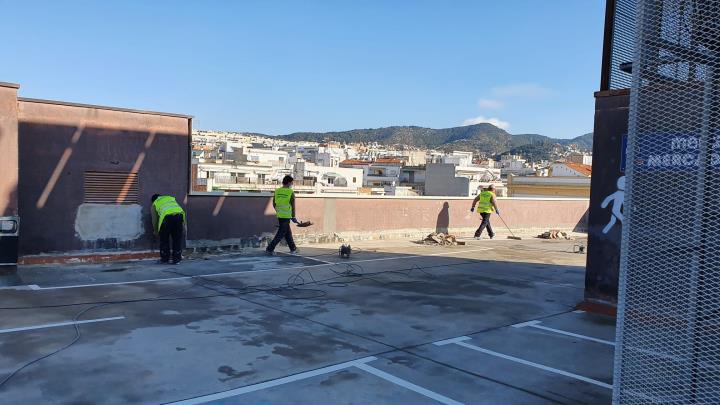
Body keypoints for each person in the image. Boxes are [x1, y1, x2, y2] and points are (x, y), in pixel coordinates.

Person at [266, 175, 299, 255]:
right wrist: (293, 216)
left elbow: (274, 203)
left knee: (287, 232)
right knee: (281, 233)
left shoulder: (277, 191)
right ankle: (270, 249)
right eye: (291, 183)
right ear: (288, 182)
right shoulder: (290, 192)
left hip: (280, 215)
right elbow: (292, 205)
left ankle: (293, 248)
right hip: (287, 215)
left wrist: (278, 211)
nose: (292, 184)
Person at [151, 194, 186, 264]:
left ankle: (165, 259)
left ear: (153, 200)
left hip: (167, 218)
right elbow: (179, 209)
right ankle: (177, 259)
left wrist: (156, 231)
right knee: (177, 239)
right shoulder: (171, 199)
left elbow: (154, 220)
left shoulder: (155, 203)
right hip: (179, 216)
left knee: (164, 239)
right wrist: (184, 227)